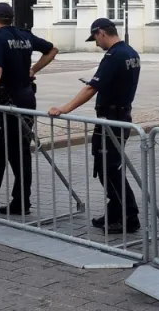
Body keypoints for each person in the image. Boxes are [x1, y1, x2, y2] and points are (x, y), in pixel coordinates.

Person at [49, 18, 141, 234]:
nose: (96, 44)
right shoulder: (131, 52)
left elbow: (92, 88)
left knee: (109, 170)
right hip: (120, 116)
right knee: (109, 168)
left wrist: (65, 108)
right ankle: (115, 212)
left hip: (111, 120)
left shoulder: (114, 55)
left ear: (101, 32)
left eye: (95, 39)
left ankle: (129, 217)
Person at [0, 3, 58, 216]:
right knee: (21, 153)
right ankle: (21, 201)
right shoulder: (24, 35)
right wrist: (33, 69)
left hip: (8, 102)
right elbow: (52, 50)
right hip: (27, 99)